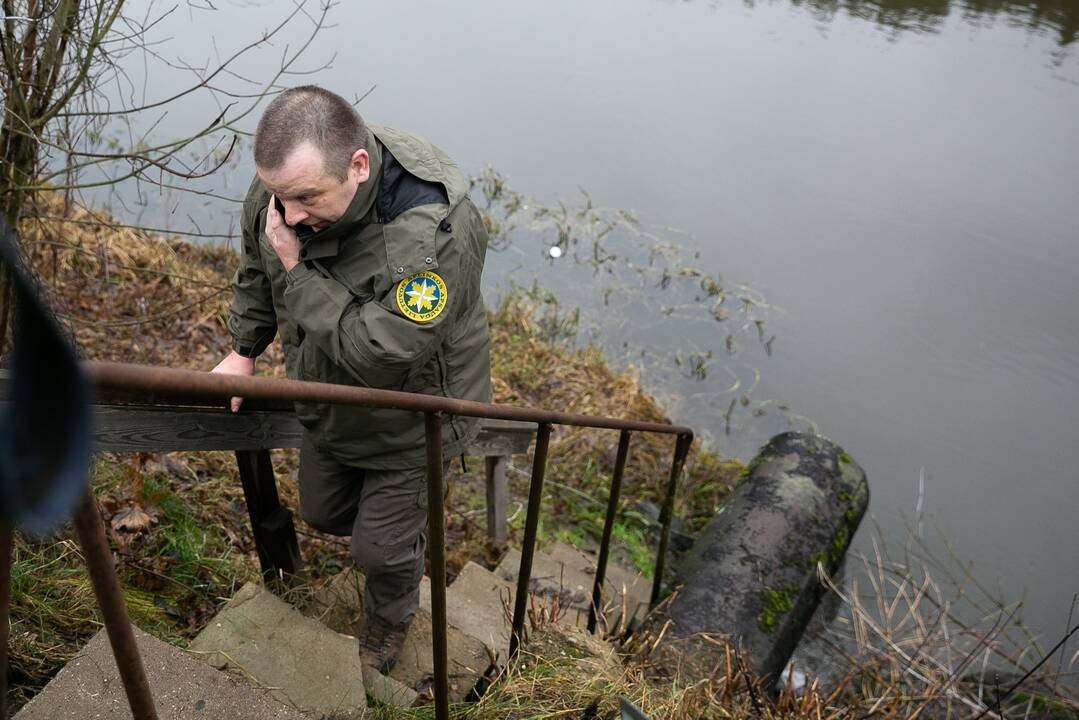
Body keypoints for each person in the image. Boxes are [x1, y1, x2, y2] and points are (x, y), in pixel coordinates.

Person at [211, 85, 492, 673]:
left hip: (416, 417)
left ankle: (389, 621)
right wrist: (244, 351)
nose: (288, 217)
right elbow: (255, 269)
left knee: (380, 549)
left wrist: (295, 266)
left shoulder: (433, 231)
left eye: (306, 198)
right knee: (321, 512)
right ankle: (393, 528)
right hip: (327, 402)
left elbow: (382, 359)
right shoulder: (285, 189)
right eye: (279, 198)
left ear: (358, 167)